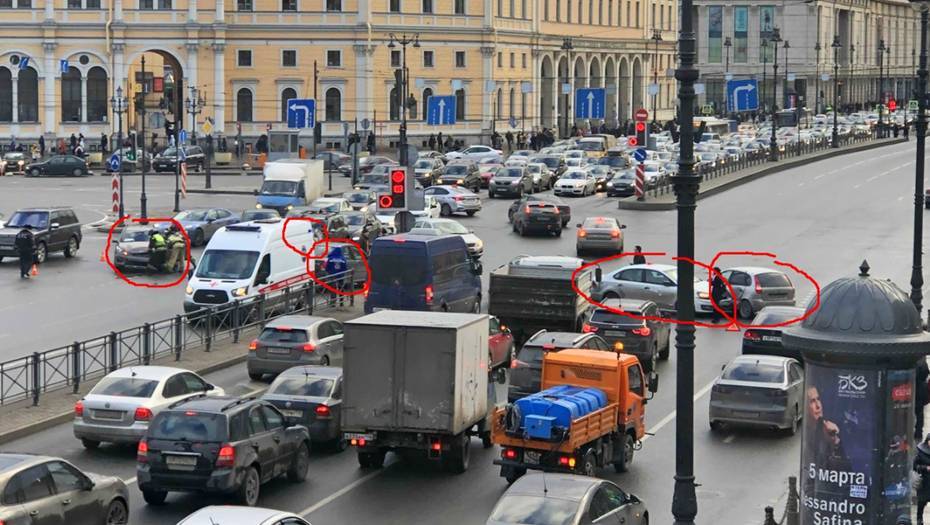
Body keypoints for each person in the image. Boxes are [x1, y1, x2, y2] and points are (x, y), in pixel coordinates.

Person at [915, 433, 930, 525]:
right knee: (921, 503)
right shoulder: (921, 452)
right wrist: (926, 468)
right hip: (924, 482)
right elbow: (915, 466)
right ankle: (919, 520)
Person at [918, 359, 930, 440]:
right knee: (919, 413)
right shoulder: (921, 361)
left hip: (917, 389)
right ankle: (918, 432)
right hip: (921, 391)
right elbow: (926, 372)